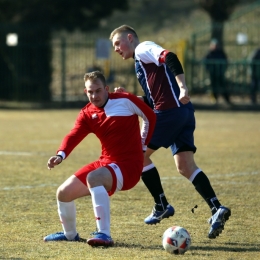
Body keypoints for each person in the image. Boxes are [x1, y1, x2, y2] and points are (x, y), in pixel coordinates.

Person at [110, 25, 231, 239]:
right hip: (183, 113)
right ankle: (216, 208)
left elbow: (170, 56)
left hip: (168, 113)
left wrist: (183, 87)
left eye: (118, 43)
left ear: (130, 38)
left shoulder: (143, 48)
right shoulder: (142, 64)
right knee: (185, 166)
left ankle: (161, 204)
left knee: (136, 155)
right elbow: (151, 100)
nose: (116, 49)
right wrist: (128, 97)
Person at [43, 71, 156, 246]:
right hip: (106, 162)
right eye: (90, 92)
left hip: (129, 166)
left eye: (98, 91)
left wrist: (143, 145)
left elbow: (150, 117)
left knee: (94, 178)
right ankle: (70, 235)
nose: (94, 95)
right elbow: (73, 135)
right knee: (63, 193)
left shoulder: (124, 100)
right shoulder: (87, 113)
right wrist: (60, 155)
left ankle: (104, 234)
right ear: (85, 91)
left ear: (106, 89)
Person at [204, 39, 230, 104]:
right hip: (212, 74)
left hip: (220, 73)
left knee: (223, 86)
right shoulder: (209, 54)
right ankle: (215, 100)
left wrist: (223, 70)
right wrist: (209, 70)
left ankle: (227, 100)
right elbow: (206, 63)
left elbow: (225, 61)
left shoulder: (221, 53)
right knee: (213, 87)